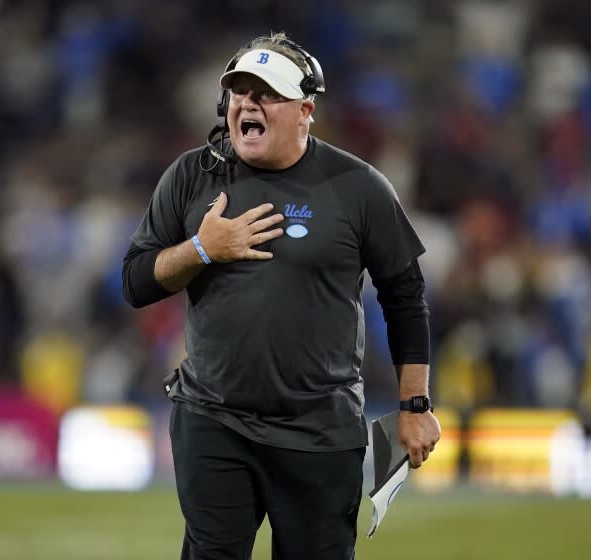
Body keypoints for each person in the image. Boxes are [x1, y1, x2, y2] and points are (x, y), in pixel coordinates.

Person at [122, 31, 440, 560]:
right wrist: (201, 248)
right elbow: (135, 281)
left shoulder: (358, 188)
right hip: (213, 420)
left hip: (320, 431)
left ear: (305, 110)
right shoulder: (191, 177)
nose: (248, 103)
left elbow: (405, 297)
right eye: (239, 92)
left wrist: (415, 404)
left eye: (265, 92)